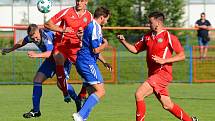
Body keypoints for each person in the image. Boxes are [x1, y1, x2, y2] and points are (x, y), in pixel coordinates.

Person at [117, 12, 199, 121]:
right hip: (153, 75)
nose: (148, 24)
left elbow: (182, 56)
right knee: (167, 104)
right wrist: (123, 41)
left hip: (163, 74)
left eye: (150, 22)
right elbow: (135, 49)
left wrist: (164, 60)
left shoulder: (169, 37)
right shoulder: (147, 36)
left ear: (158, 23)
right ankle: (190, 120)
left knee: (139, 94)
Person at [1, 24, 80, 118]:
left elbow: (50, 52)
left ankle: (78, 100)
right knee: (37, 80)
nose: (35, 40)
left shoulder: (46, 36)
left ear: (39, 31)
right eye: (32, 38)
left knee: (61, 84)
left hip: (61, 59)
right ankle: (36, 110)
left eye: (36, 37)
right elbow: (22, 41)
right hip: (50, 61)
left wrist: (35, 55)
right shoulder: (32, 36)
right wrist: (11, 49)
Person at [44, 0, 92, 103]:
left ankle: (83, 94)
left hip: (77, 47)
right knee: (58, 59)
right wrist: (62, 30)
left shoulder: (89, 16)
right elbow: (47, 24)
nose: (79, 3)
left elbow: (92, 33)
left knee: (87, 69)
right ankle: (65, 93)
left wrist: (82, 35)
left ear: (86, 2)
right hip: (62, 45)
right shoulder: (66, 12)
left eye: (81, 1)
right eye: (77, 0)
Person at [72, 7, 111, 121]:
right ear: (102, 17)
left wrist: (104, 62)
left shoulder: (93, 26)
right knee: (101, 91)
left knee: (93, 92)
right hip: (87, 63)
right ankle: (80, 115)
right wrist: (105, 44)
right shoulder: (95, 27)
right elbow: (95, 50)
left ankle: (82, 118)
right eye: (106, 19)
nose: (106, 22)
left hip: (84, 61)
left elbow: (92, 50)